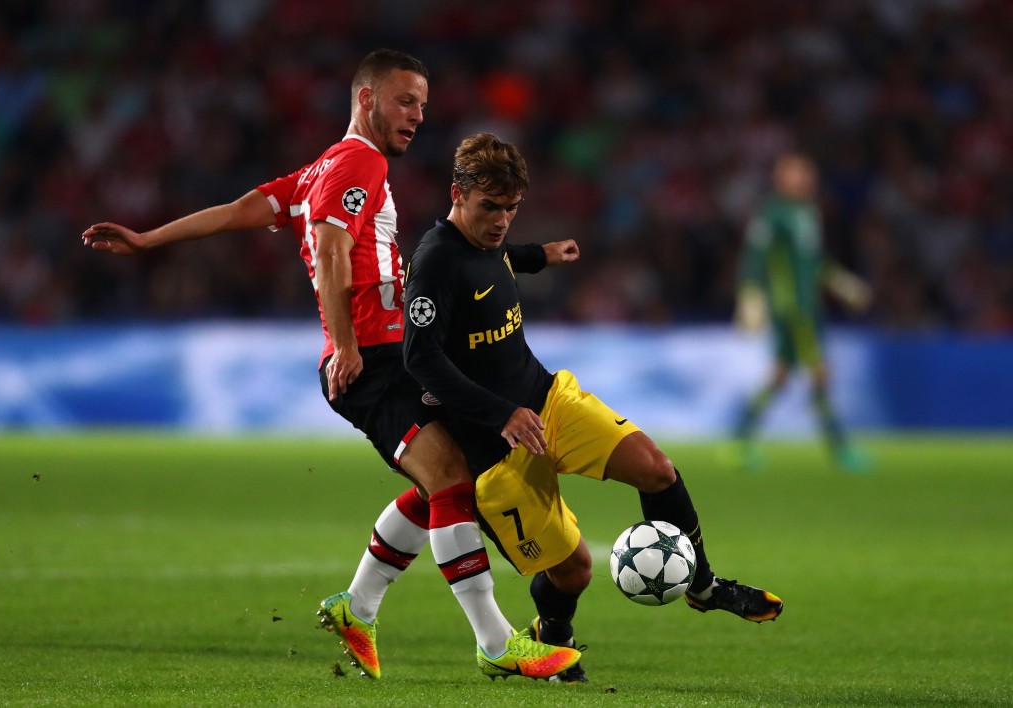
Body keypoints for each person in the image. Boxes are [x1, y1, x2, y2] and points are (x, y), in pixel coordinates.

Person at [82, 49, 579, 682]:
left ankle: (357, 606)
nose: (417, 116)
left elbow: (238, 211)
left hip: (389, 356)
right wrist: (345, 344)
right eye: (405, 101)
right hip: (371, 360)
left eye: (423, 104)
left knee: (440, 485)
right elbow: (329, 247)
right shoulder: (359, 162)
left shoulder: (319, 169)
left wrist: (149, 239)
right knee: (452, 478)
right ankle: (496, 641)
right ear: (367, 99)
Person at [400, 133, 784, 682]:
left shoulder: (487, 240)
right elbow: (420, 358)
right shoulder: (435, 262)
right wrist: (501, 413)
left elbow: (497, 258)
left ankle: (702, 586)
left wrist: (541, 255)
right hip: (495, 445)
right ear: (456, 194)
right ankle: (554, 634)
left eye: (512, 208)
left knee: (656, 468)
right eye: (490, 207)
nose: (502, 220)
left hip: (548, 400)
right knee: (574, 573)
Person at [731, 152, 873, 472]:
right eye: (796, 173)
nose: (805, 178)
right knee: (820, 373)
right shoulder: (773, 213)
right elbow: (755, 255)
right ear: (780, 178)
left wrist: (842, 283)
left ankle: (740, 438)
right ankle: (840, 449)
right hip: (793, 308)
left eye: (808, 173)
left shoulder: (807, 212)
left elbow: (812, 261)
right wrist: (751, 295)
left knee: (780, 376)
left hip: (808, 306)